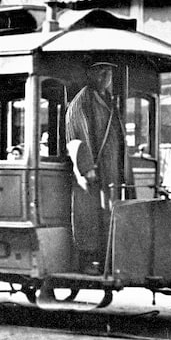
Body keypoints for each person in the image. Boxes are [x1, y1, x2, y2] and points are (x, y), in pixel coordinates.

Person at [65, 61, 127, 275]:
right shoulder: (82, 101)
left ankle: (111, 259)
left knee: (112, 213)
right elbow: (76, 134)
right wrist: (87, 166)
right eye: (100, 71)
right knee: (91, 216)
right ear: (90, 74)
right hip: (93, 173)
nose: (105, 76)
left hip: (113, 171)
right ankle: (90, 260)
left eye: (108, 72)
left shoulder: (109, 100)